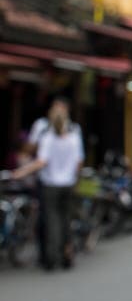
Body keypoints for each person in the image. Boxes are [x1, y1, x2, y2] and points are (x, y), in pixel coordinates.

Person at [13, 107, 84, 270]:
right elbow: (79, 162)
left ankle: (52, 257)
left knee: (52, 221)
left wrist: (21, 172)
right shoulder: (74, 137)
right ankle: (67, 254)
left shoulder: (48, 137)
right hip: (68, 183)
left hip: (51, 184)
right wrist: (76, 179)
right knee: (66, 220)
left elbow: (41, 161)